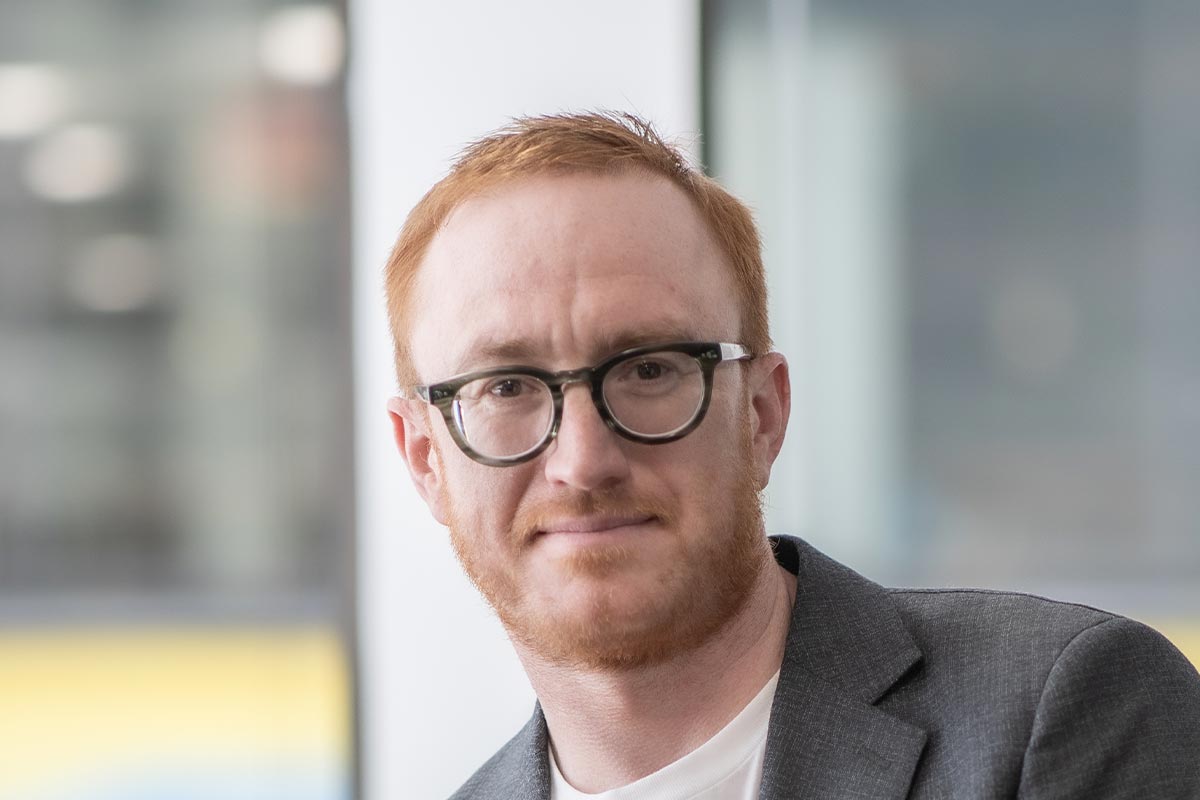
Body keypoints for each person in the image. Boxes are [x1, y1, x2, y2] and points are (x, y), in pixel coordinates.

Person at [384, 111, 1200, 799]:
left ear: (764, 413)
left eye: (650, 370)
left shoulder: (1064, 711)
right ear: (424, 458)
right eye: (505, 387)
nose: (584, 461)